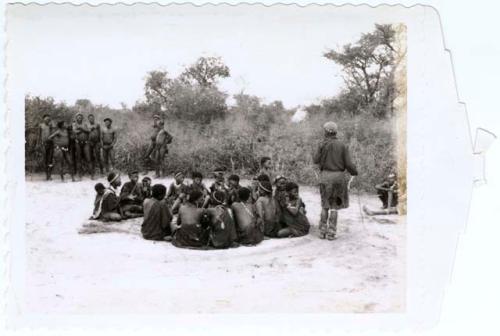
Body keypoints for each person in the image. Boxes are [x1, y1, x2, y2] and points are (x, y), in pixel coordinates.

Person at [313, 121, 358, 240]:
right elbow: (348, 164)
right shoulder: (342, 145)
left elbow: (315, 160)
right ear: (335, 132)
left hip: (325, 177)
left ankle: (322, 232)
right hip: (338, 178)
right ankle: (331, 233)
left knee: (325, 205)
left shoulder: (321, 144)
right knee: (334, 206)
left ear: (326, 132)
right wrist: (354, 172)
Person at [72, 113, 91, 177]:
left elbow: (89, 131)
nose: (79, 118)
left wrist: (80, 128)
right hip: (78, 143)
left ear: (82, 118)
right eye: (78, 117)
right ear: (76, 118)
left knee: (88, 158)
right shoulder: (74, 124)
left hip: (86, 143)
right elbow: (75, 131)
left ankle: (91, 173)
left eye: (80, 117)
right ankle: (80, 173)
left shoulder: (85, 124)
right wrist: (83, 130)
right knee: (79, 158)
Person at [39, 114, 54, 180]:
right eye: (46, 119)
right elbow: (39, 135)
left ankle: (49, 175)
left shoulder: (50, 126)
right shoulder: (41, 126)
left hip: (50, 144)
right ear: (43, 119)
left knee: (50, 159)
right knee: (45, 159)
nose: (48, 120)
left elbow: (53, 134)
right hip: (44, 144)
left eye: (49, 119)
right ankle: (46, 175)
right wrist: (39, 143)